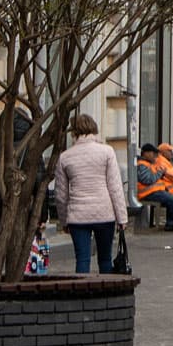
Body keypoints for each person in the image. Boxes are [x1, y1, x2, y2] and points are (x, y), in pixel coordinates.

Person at [51, 115, 125, 274]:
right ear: (94, 129)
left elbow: (61, 194)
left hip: (78, 216)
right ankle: (106, 294)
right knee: (105, 258)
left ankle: (82, 295)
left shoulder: (65, 157)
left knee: (82, 259)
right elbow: (115, 187)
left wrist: (64, 221)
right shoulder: (107, 152)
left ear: (74, 132)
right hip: (104, 214)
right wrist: (122, 218)